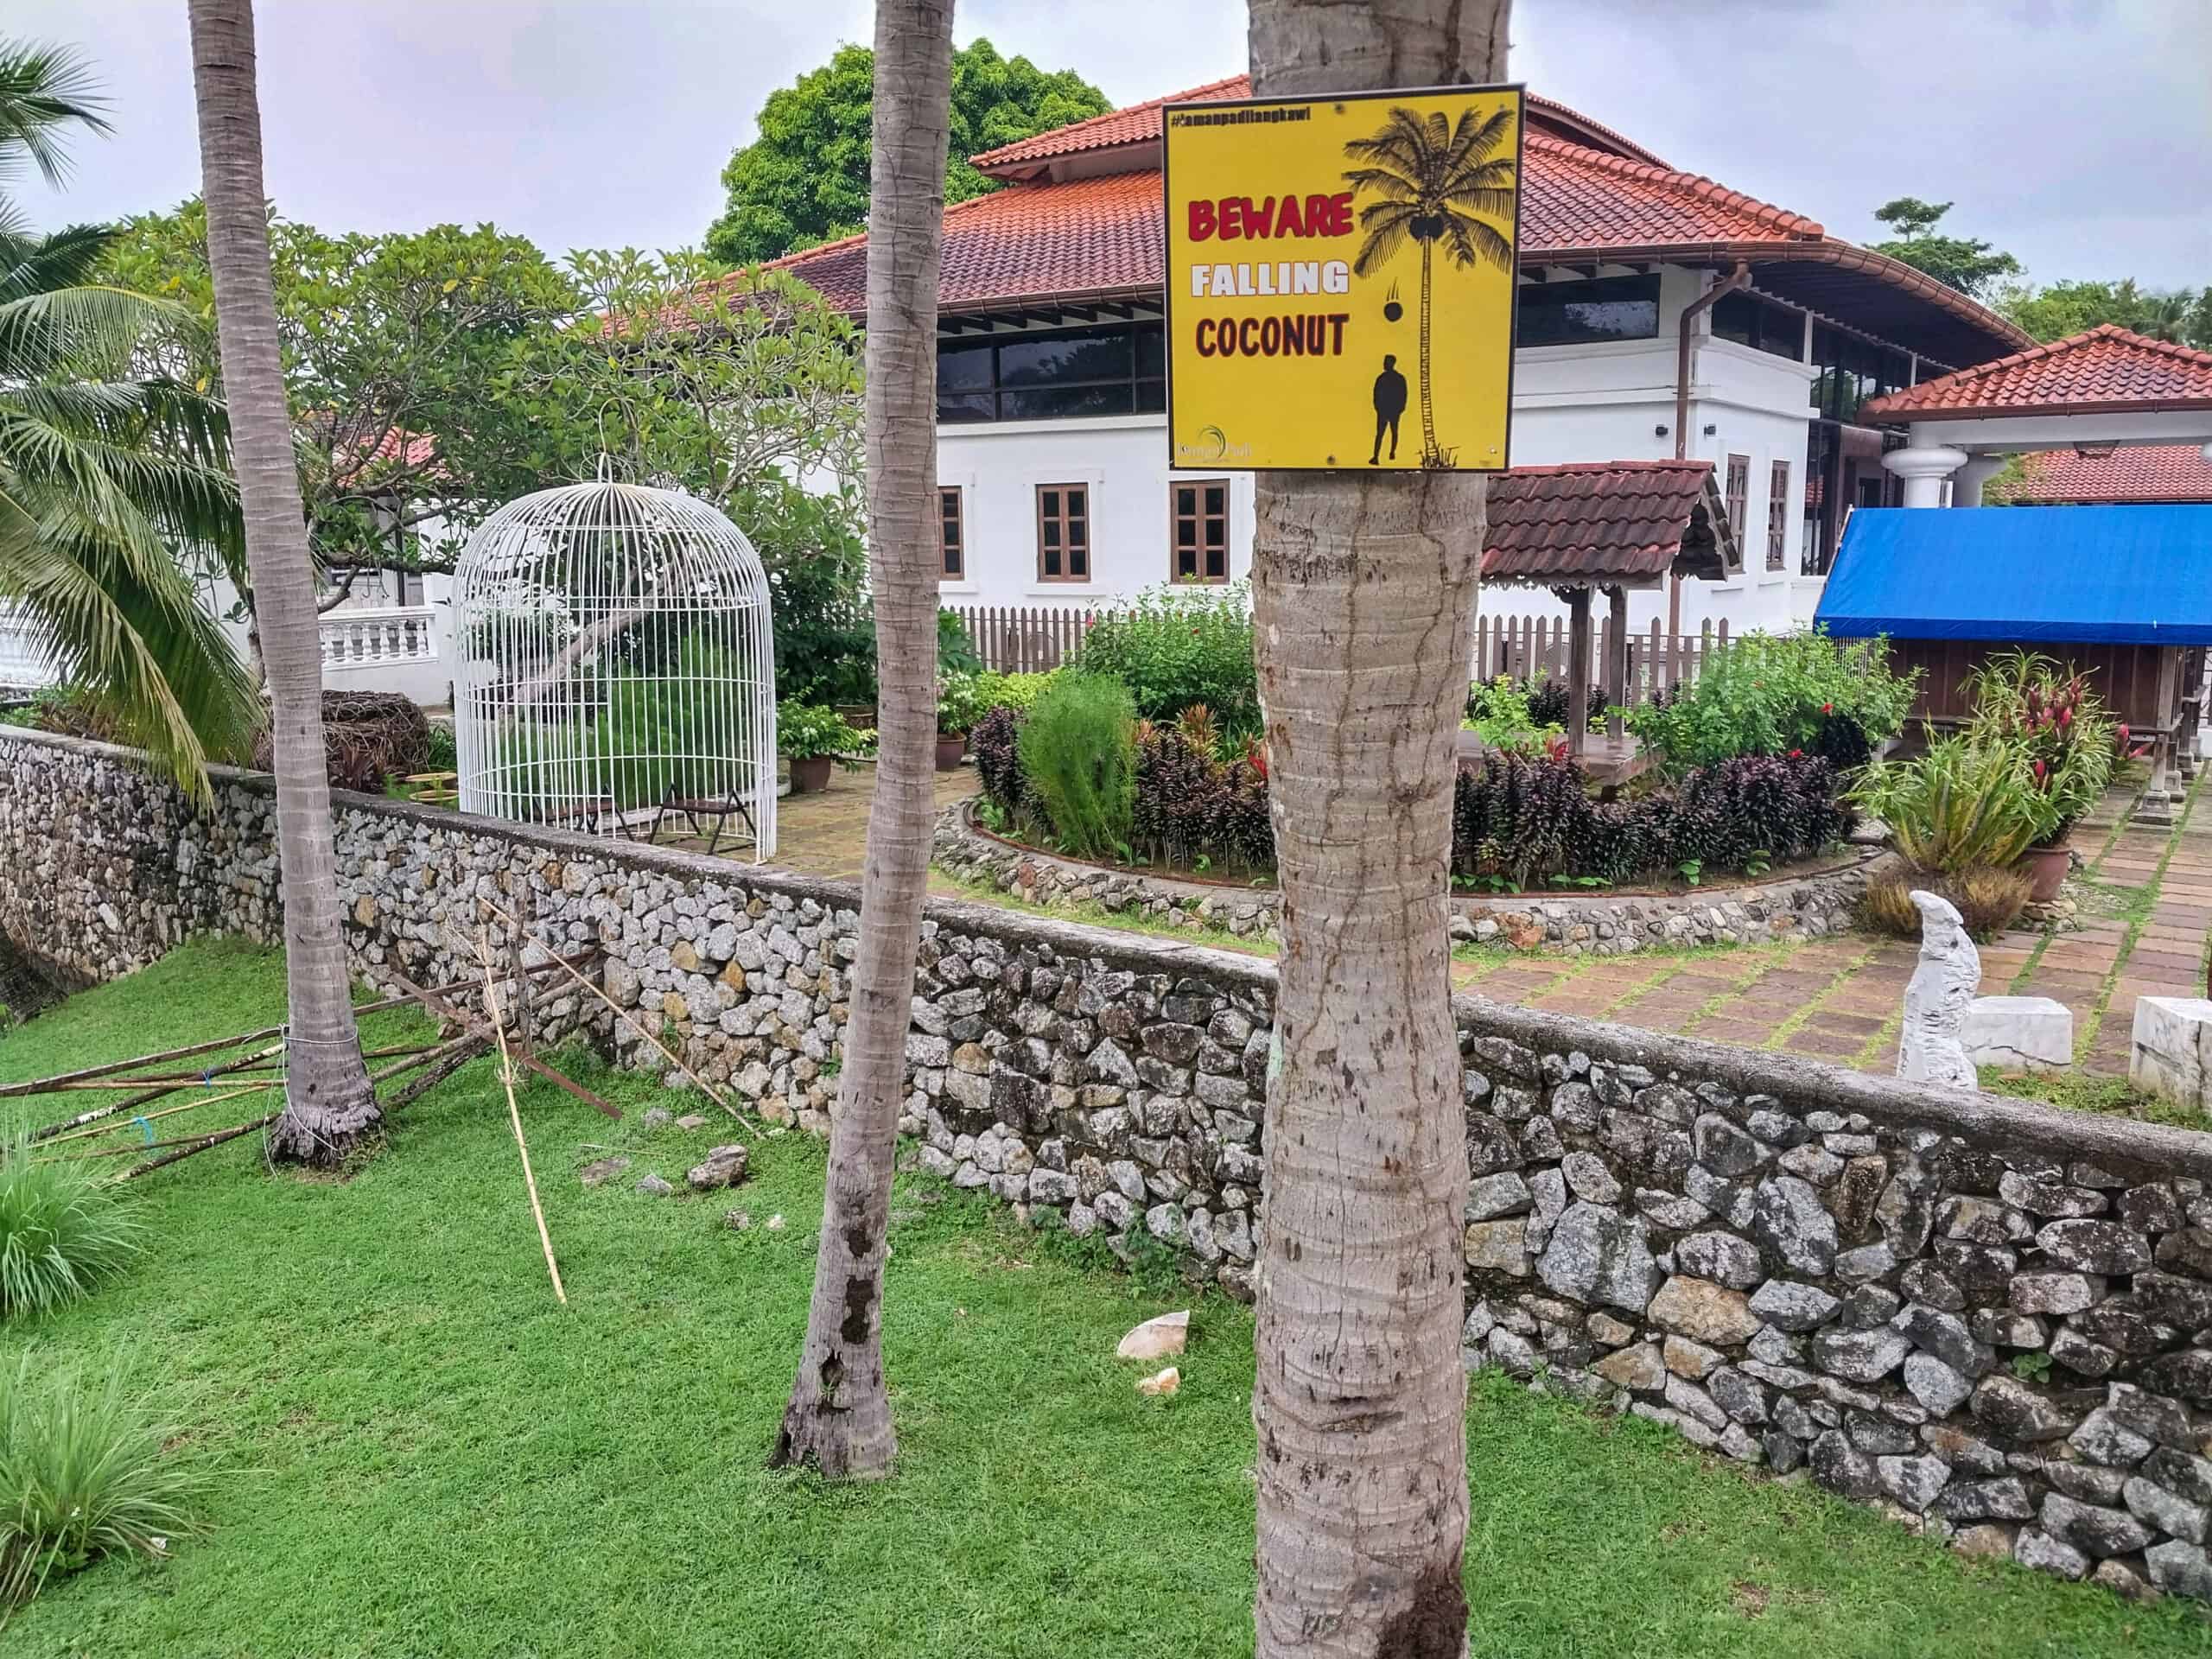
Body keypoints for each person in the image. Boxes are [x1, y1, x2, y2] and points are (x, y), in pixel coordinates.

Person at [1369, 355, 1408, 465]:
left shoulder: (1383, 378)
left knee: (1384, 433)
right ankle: (1384, 454)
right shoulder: (1396, 378)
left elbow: (1403, 394)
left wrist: (1378, 407)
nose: (1384, 364)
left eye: (1386, 362)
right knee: (1390, 432)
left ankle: (1383, 455)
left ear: (1391, 363)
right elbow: (1376, 394)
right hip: (1388, 410)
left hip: (1387, 409)